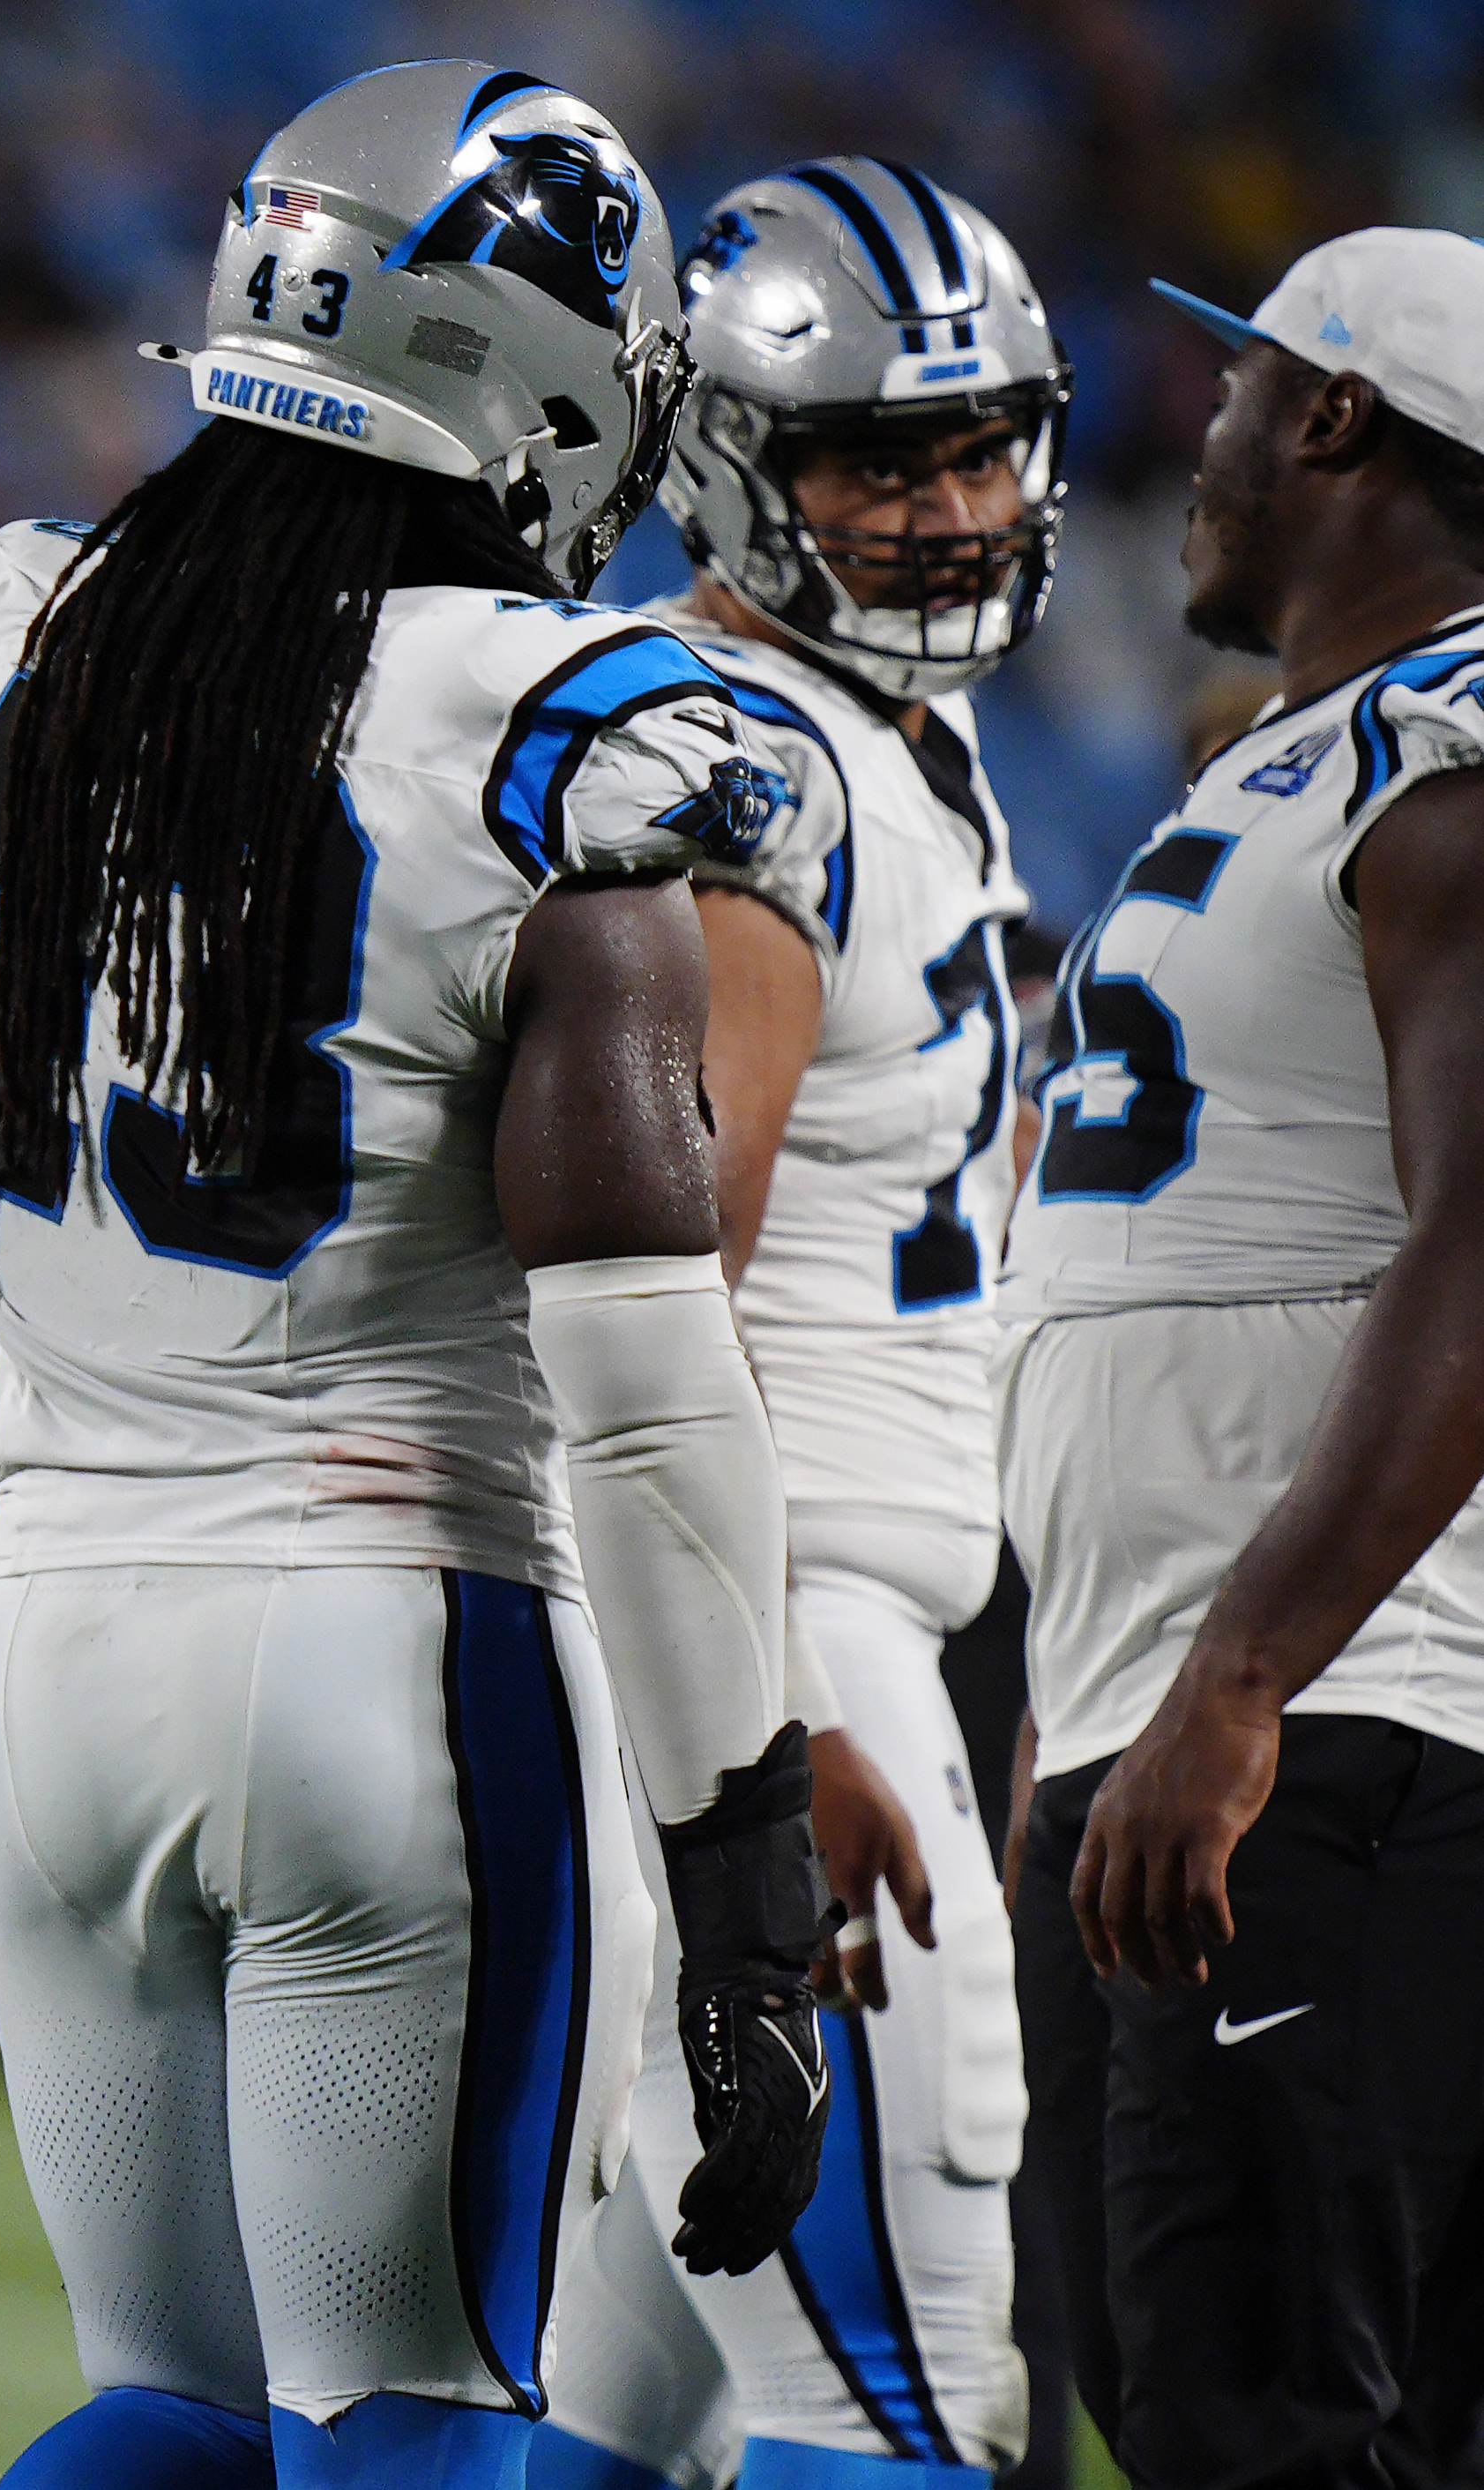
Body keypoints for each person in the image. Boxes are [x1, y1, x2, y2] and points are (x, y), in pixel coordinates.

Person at [0, 62, 834, 2488]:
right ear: (549, 373)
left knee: (149, 2415)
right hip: (397, 1645)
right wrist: (750, 1899)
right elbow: (652, 1400)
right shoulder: (565, 737)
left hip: (50, 1665)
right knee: (414, 2413)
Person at [535, 161, 1060, 2488]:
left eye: (980, 446)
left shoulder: (887, 746)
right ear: (744, 462)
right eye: (878, 457)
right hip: (782, 1639)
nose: (949, 512)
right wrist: (762, 1728)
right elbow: (659, 1313)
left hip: (840, 1620)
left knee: (622, 2413)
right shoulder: (755, 772)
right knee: (898, 2402)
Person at [996, 228, 1484, 2487]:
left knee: (1260, 2431)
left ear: (1332, 418)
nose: (1183, 433)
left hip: (1337, 1743)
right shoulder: (1293, 757)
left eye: (1234, 384)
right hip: (1189, 1732)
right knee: (1205, 2398)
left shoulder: (1448, 752)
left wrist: (1239, 1680)